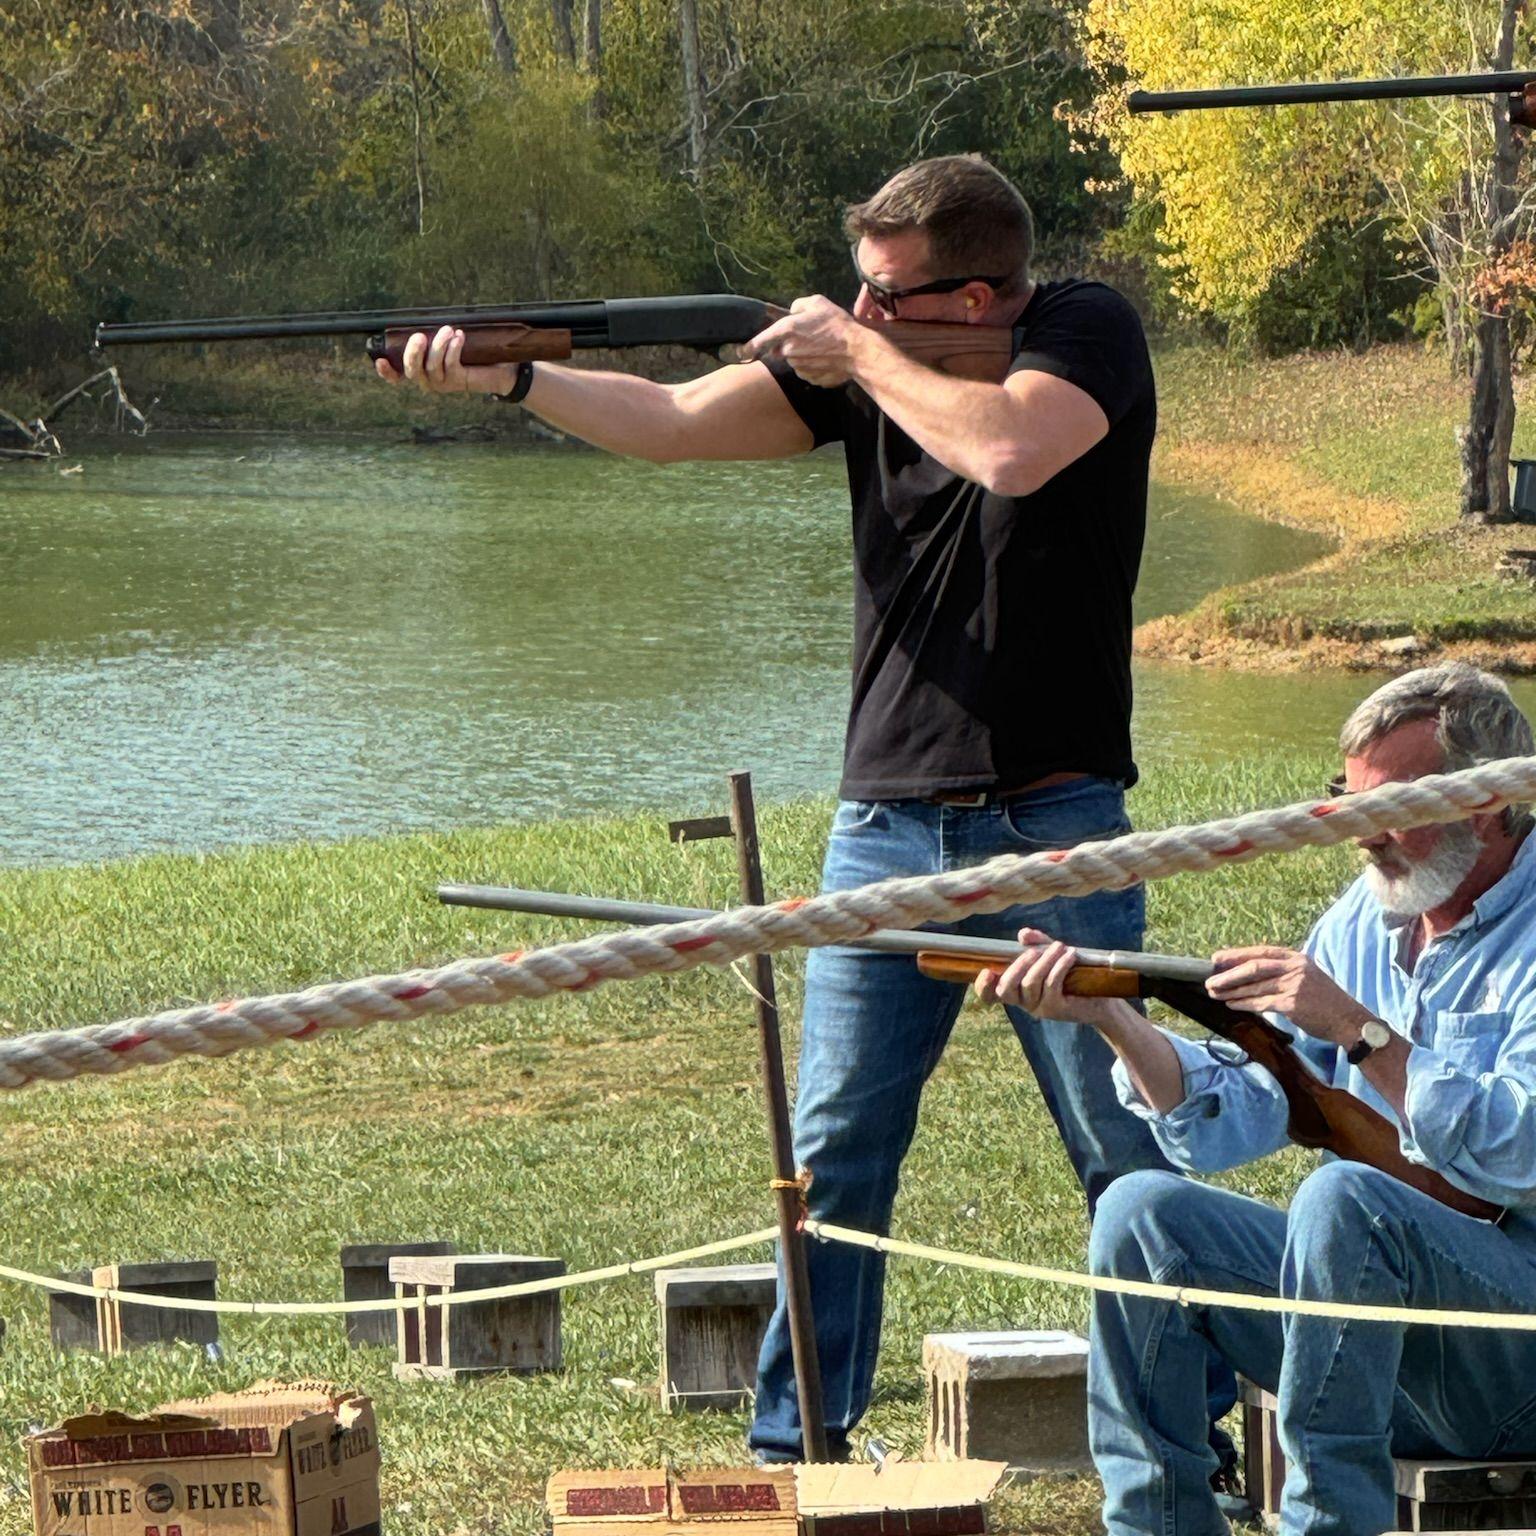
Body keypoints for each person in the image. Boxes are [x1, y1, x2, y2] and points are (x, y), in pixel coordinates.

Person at [379, 153, 1180, 1462]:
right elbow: (673, 417)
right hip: (888, 819)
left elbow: (1010, 450)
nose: (859, 315)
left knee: (1121, 1138)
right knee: (835, 1149)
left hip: (1054, 818)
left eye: (886, 294)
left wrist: (853, 357)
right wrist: (513, 377)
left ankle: (1180, 1421)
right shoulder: (873, 372)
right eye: (855, 295)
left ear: (979, 296)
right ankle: (797, 1439)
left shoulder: (1083, 331)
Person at [978, 661, 1536, 1536]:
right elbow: (1246, 1109)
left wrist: (1363, 1032)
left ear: (1481, 802)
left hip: (1513, 1367)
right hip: (1382, 1354)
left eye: (1384, 810)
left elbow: (1522, 1155)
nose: (1362, 836)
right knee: (1140, 1212)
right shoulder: (1368, 914)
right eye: (1343, 803)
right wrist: (1114, 1019)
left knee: (1345, 1200)